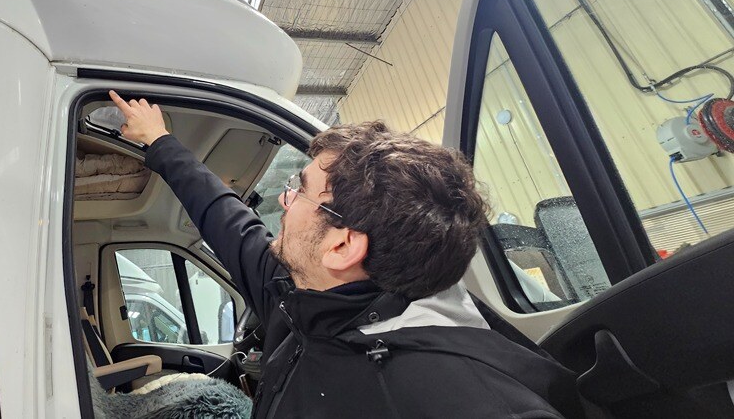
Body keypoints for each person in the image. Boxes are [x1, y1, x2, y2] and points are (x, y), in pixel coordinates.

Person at [108, 91, 583, 418]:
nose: (283, 199)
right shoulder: (302, 292)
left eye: (299, 190)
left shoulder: (458, 397)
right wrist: (159, 140)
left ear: (342, 245)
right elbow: (228, 221)